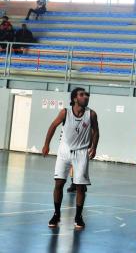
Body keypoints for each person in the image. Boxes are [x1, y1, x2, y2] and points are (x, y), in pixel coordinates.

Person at [42, 87, 99, 229]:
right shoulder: (65, 112)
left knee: (80, 187)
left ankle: (78, 217)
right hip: (64, 151)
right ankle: (56, 214)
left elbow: (96, 131)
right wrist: (46, 144)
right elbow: (52, 126)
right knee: (59, 184)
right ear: (75, 98)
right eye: (82, 95)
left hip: (81, 153)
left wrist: (94, 147)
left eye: (87, 95)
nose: (86, 97)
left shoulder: (91, 114)